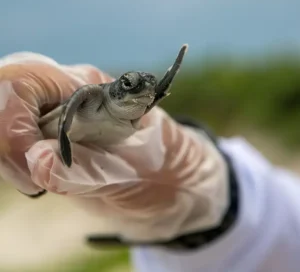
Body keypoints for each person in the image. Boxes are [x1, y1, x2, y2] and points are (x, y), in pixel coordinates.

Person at [1, 51, 300, 272]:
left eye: (148, 89)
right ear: (118, 86)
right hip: (59, 130)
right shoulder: (93, 95)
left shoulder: (139, 110)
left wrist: (213, 191)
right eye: (130, 83)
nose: (142, 89)